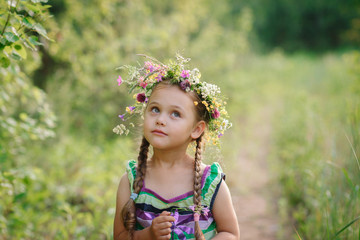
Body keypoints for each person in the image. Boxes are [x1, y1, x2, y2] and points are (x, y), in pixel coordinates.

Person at [113, 55, 240, 240]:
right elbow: (119, 236)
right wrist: (148, 235)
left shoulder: (209, 183)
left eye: (175, 114)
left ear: (196, 129)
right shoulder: (131, 181)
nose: (160, 120)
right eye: (155, 109)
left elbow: (230, 233)